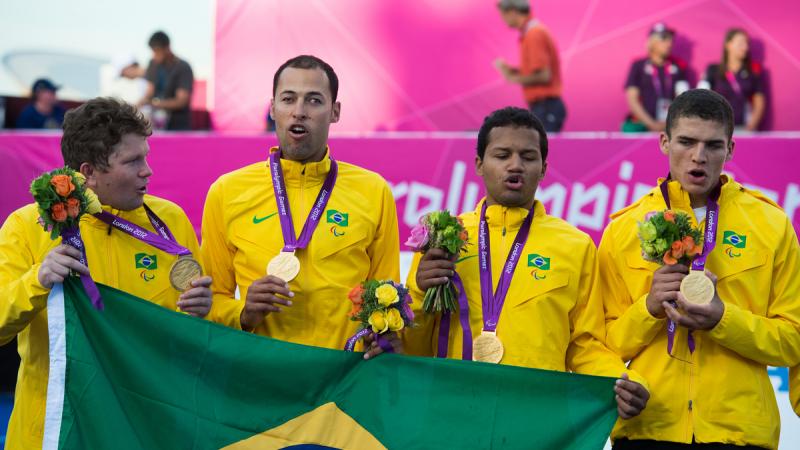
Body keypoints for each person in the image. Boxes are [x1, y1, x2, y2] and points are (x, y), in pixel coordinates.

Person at [403, 106, 650, 421]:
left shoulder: (575, 246)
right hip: (454, 415)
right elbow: (414, 349)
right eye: (502, 155)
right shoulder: (441, 239)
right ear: (479, 164)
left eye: (528, 157)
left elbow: (585, 345)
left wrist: (620, 380)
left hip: (537, 422)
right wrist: (420, 292)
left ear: (544, 168)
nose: (515, 165)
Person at [0, 97, 212, 448]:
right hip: (55, 431)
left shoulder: (170, 222)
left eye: (146, 155)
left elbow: (194, 339)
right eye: (132, 161)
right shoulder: (26, 226)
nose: (148, 171)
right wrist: (37, 281)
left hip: (145, 430)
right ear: (89, 172)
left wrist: (203, 313)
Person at [597, 89, 800, 449]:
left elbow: (793, 341)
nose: (698, 157)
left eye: (713, 145)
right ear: (664, 141)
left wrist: (723, 320)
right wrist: (648, 309)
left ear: (731, 149)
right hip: (649, 425)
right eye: (686, 142)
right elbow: (601, 343)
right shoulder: (624, 229)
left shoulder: (771, 224)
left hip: (739, 431)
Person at [201, 55, 401, 358]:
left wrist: (383, 336)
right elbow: (211, 300)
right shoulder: (226, 192)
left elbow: (387, 301)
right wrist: (243, 313)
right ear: (272, 108)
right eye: (288, 99)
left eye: (314, 100)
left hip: (343, 387)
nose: (299, 112)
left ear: (334, 112)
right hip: (262, 385)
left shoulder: (373, 191)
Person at [494, 0, 566, 132]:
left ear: (513, 12)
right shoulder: (531, 32)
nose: (503, 20)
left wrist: (513, 78)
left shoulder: (534, 34)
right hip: (543, 106)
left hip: (546, 106)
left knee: (540, 151)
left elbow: (544, 76)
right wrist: (514, 71)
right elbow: (536, 71)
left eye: (503, 15)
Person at [622, 23, 689, 132]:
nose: (669, 43)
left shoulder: (678, 66)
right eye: (663, 38)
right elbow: (632, 100)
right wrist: (651, 124)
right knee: (629, 129)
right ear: (651, 42)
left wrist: (670, 123)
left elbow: (683, 98)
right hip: (643, 124)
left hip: (671, 124)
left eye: (670, 39)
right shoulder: (638, 65)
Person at [698, 28, 765, 131]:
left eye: (747, 43)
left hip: (744, 128)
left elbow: (759, 102)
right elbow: (700, 97)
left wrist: (750, 127)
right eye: (740, 43)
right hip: (718, 129)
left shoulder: (753, 72)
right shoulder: (713, 69)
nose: (745, 47)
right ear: (728, 45)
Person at [139, 31, 194, 130]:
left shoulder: (183, 67)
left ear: (167, 47)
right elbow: (149, 93)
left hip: (178, 126)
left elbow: (181, 101)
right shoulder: (153, 64)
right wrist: (137, 106)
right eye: (153, 51)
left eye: (157, 51)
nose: (155, 55)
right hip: (155, 126)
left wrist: (155, 103)